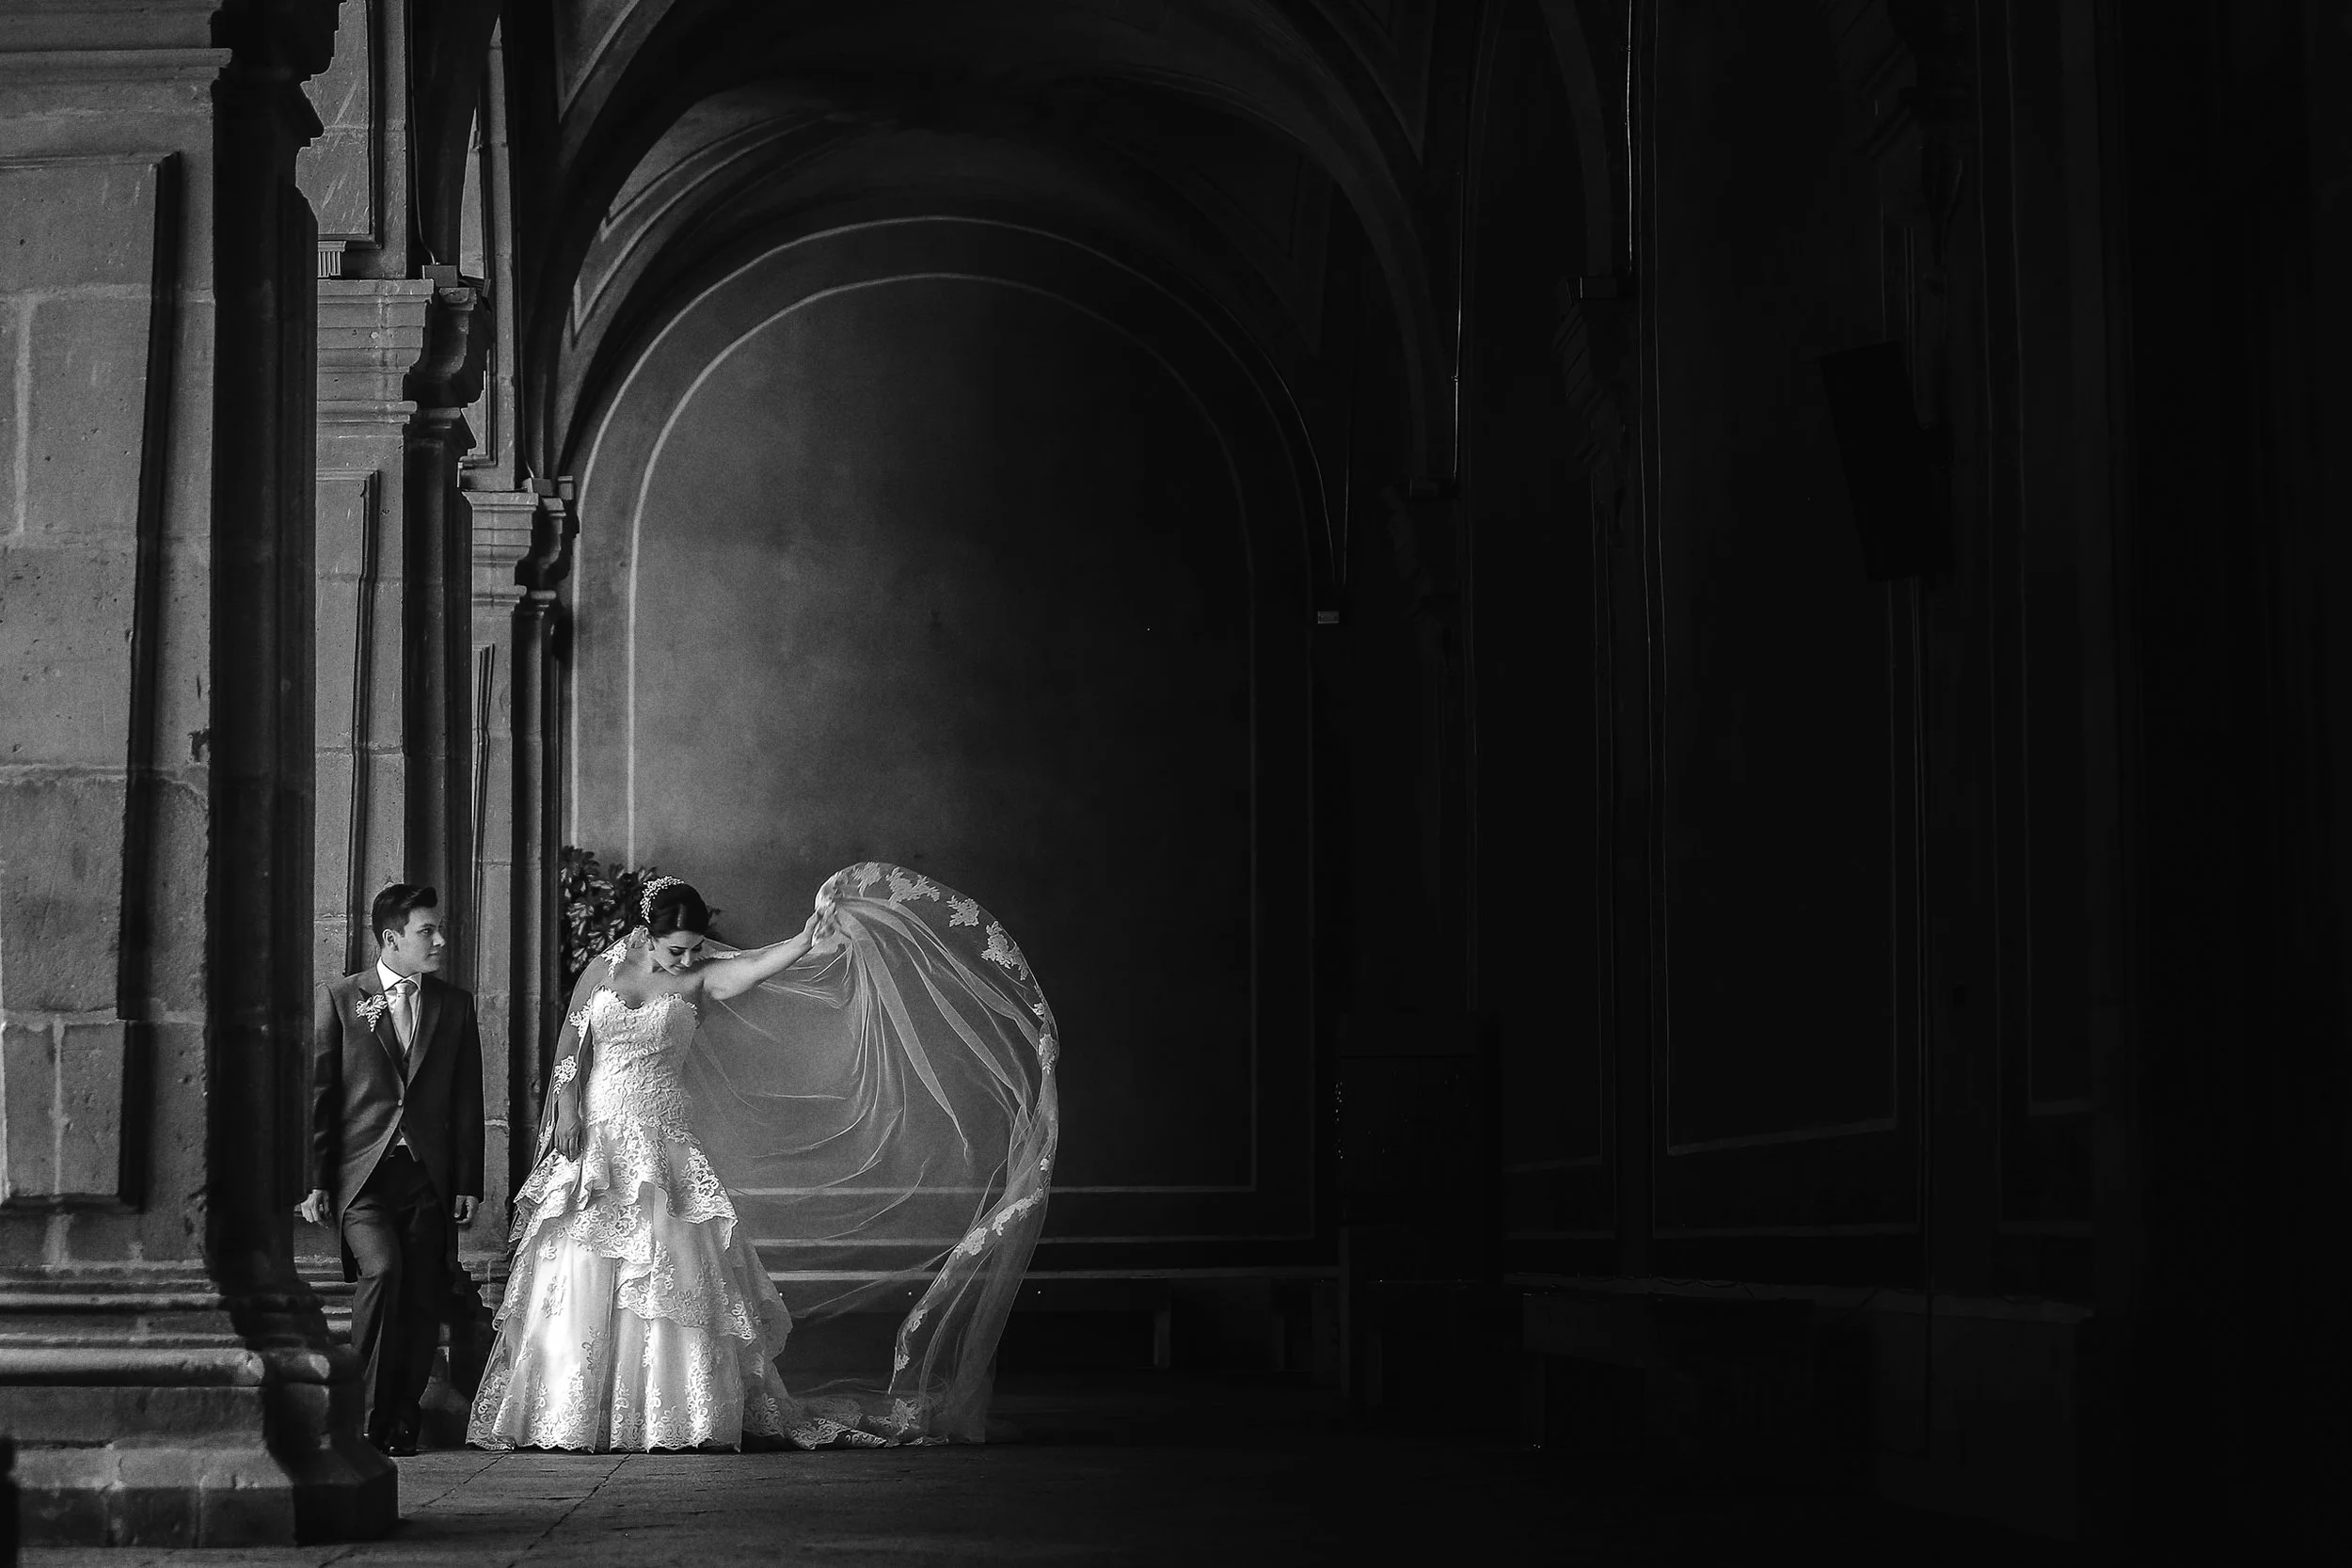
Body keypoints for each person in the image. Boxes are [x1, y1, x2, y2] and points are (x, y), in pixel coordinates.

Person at [469, 865, 1060, 1453]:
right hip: (597, 1134)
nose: (685, 959)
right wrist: (567, 1109)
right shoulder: (602, 969)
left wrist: (805, 938)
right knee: (580, 1264)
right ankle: (571, 1410)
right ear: (646, 935)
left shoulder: (701, 980)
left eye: (695, 949)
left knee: (668, 1269)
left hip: (663, 1134)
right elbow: (572, 1047)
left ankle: (668, 1413)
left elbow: (752, 967)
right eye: (676, 949)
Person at [301, 882, 486, 1456]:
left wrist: (467, 1182)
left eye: (440, 929)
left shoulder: (453, 1004)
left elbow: (465, 1100)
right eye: (426, 931)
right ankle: (357, 1410)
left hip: (427, 1179)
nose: (439, 940)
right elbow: (320, 1094)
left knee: (422, 1295)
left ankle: (398, 1419)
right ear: (391, 939)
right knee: (382, 1274)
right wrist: (312, 1179)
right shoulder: (342, 998)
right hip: (363, 1178)